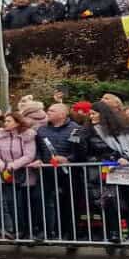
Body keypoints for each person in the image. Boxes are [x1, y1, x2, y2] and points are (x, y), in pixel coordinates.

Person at [80, 101, 129, 243]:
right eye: (90, 113)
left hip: (125, 170)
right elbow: (86, 153)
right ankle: (113, 233)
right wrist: (109, 158)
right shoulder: (88, 131)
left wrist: (125, 158)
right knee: (108, 202)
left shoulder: (120, 130)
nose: (91, 116)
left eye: (94, 113)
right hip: (103, 172)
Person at [37, 103, 85, 241]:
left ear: (62, 114)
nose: (48, 112)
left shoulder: (75, 129)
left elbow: (79, 151)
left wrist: (67, 159)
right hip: (47, 172)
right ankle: (49, 231)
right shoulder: (42, 130)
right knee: (45, 202)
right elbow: (38, 149)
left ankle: (70, 234)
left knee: (69, 203)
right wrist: (38, 159)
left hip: (69, 173)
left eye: (52, 110)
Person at [0, 112, 39, 239]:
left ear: (17, 122)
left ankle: (29, 230)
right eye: (5, 121)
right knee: (11, 202)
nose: (5, 123)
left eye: (8, 121)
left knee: (24, 202)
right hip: (6, 172)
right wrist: (1, 165)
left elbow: (29, 155)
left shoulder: (28, 134)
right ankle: (18, 229)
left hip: (24, 172)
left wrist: (13, 165)